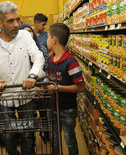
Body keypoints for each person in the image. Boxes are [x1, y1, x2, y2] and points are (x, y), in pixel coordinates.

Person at [0, 1, 45, 154]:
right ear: (0, 23)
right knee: (8, 136)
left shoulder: (25, 37)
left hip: (26, 95)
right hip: (4, 97)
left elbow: (38, 57)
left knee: (27, 134)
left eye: (17, 20)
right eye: (10, 21)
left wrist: (32, 76)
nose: (16, 24)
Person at [44, 23, 85, 155]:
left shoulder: (71, 62)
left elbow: (81, 86)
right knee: (54, 139)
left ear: (54, 39)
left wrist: (57, 88)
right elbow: (49, 78)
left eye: (48, 37)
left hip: (67, 109)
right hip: (52, 107)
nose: (47, 40)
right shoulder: (50, 59)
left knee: (69, 139)